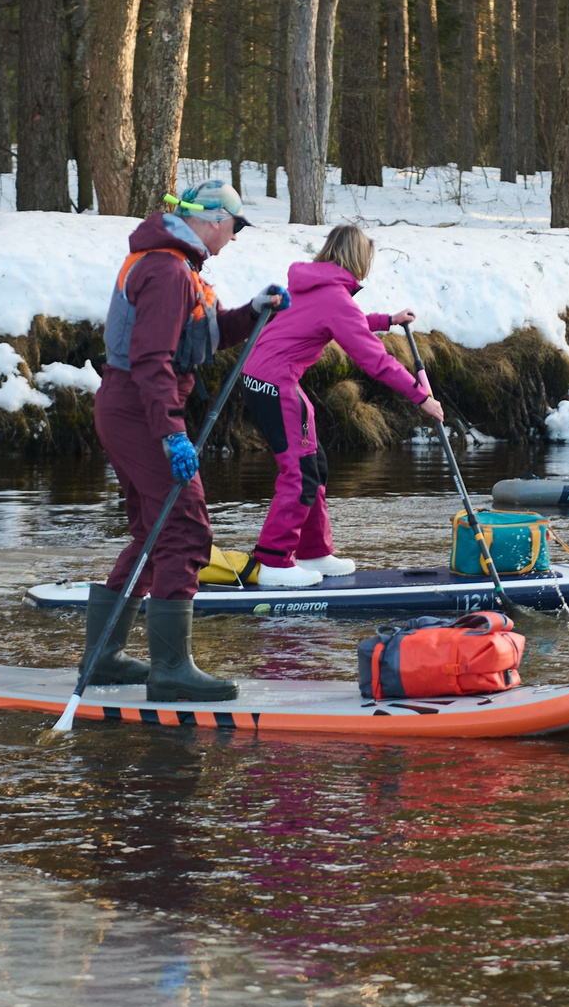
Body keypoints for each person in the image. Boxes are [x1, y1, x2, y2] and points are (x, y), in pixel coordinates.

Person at [88, 181, 286, 702]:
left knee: (152, 535)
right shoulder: (167, 270)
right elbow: (151, 361)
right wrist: (172, 434)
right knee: (185, 529)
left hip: (131, 407)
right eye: (235, 227)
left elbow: (204, 335)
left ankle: (103, 658)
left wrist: (254, 311)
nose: (234, 238)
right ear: (214, 219)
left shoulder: (176, 266)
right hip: (140, 409)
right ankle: (172, 670)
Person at [238, 224, 446, 589]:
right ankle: (273, 560)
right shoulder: (334, 297)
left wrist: (387, 321)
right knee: (300, 473)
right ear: (359, 261)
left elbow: (342, 321)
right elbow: (375, 360)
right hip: (276, 383)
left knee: (313, 466)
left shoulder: (311, 285)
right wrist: (422, 397)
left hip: (260, 378)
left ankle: (313, 551)